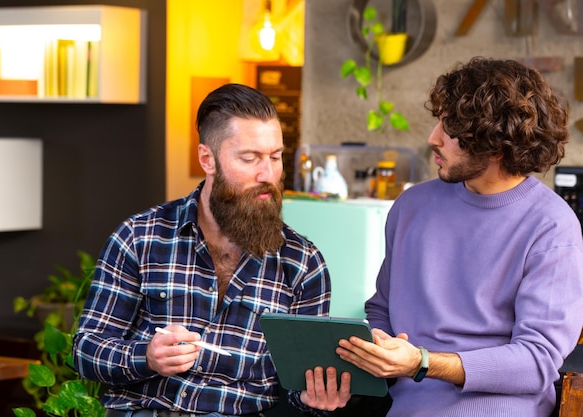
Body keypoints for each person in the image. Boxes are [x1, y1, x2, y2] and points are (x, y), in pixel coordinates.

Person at [72, 83, 350, 417]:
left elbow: (298, 388)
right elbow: (86, 350)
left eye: (275, 157)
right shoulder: (140, 237)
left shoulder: (302, 263)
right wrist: (146, 357)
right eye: (250, 158)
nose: (268, 174)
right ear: (208, 159)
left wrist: (315, 402)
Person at [336, 57, 583, 416]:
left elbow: (536, 361)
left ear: (497, 144)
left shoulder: (551, 225)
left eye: (451, 130)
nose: (433, 138)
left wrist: (422, 363)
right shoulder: (411, 207)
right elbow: (382, 308)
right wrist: (378, 346)